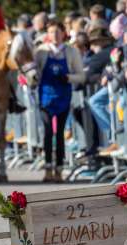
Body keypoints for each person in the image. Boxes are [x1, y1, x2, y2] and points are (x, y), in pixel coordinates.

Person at [34, 20, 86, 183]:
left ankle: (59, 169)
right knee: (48, 132)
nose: (54, 35)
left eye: (57, 32)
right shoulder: (41, 51)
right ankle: (48, 168)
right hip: (45, 97)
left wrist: (68, 77)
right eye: (50, 32)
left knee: (60, 134)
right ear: (47, 35)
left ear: (63, 33)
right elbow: (33, 73)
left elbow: (81, 75)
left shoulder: (71, 51)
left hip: (63, 96)